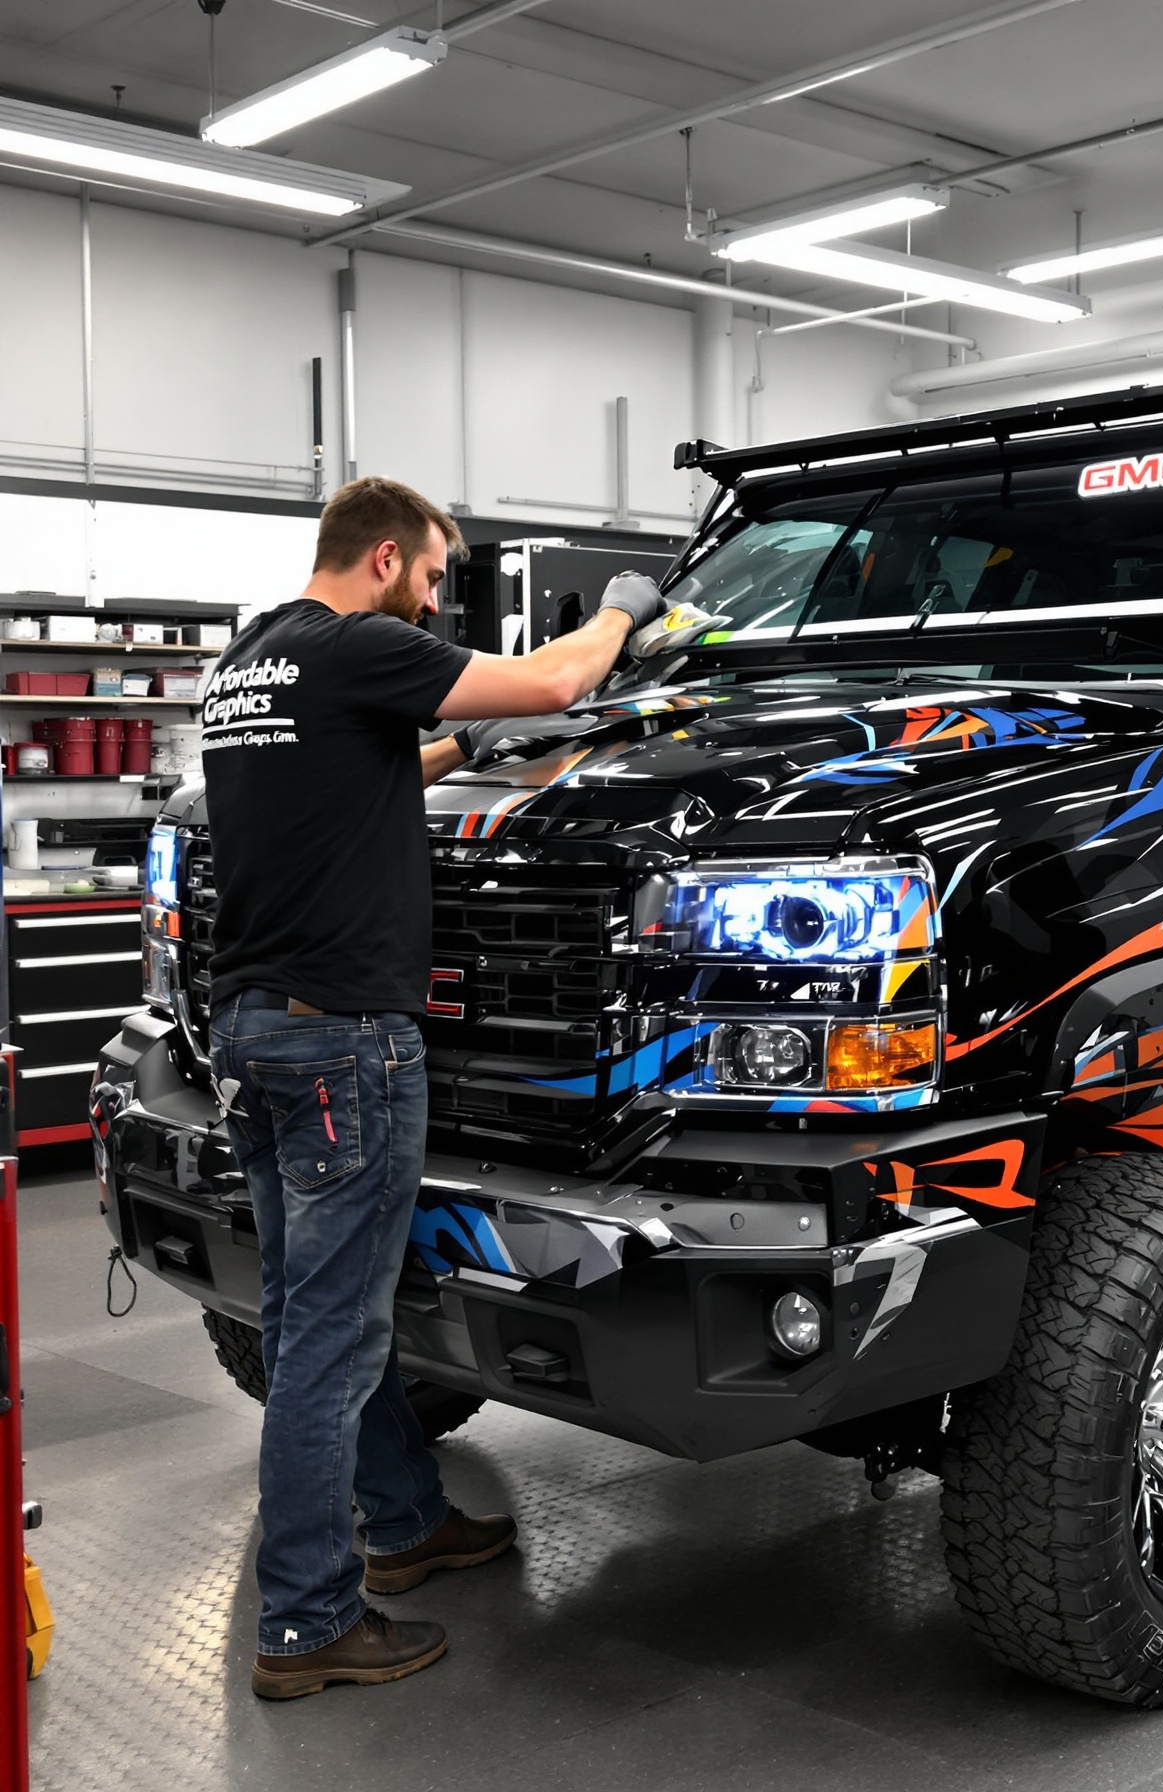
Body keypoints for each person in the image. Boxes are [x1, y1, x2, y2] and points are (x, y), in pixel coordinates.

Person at [201, 476, 670, 1700]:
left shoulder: (250, 663)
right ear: (383, 557)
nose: (427, 603)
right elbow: (558, 680)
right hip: (343, 1044)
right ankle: (307, 1622)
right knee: (333, 1338)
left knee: (303, 1314)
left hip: (253, 1030)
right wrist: (620, 613)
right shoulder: (354, 643)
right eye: (423, 578)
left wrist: (469, 745)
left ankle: (406, 1522)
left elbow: (353, 779)